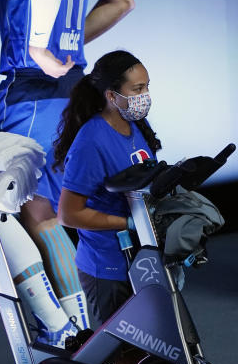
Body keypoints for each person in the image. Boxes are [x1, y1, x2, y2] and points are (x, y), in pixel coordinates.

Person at [0, 0, 135, 343]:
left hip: (29, 93)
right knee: (44, 212)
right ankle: (80, 332)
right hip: (69, 93)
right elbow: (121, 0)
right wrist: (67, 45)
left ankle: (57, 330)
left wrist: (39, 49)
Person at [53, 50, 161, 325]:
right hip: (108, 268)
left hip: (141, 261)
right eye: (138, 89)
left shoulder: (135, 125)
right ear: (111, 96)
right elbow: (68, 214)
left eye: (147, 86)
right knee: (119, 360)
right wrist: (127, 223)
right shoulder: (91, 141)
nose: (145, 95)